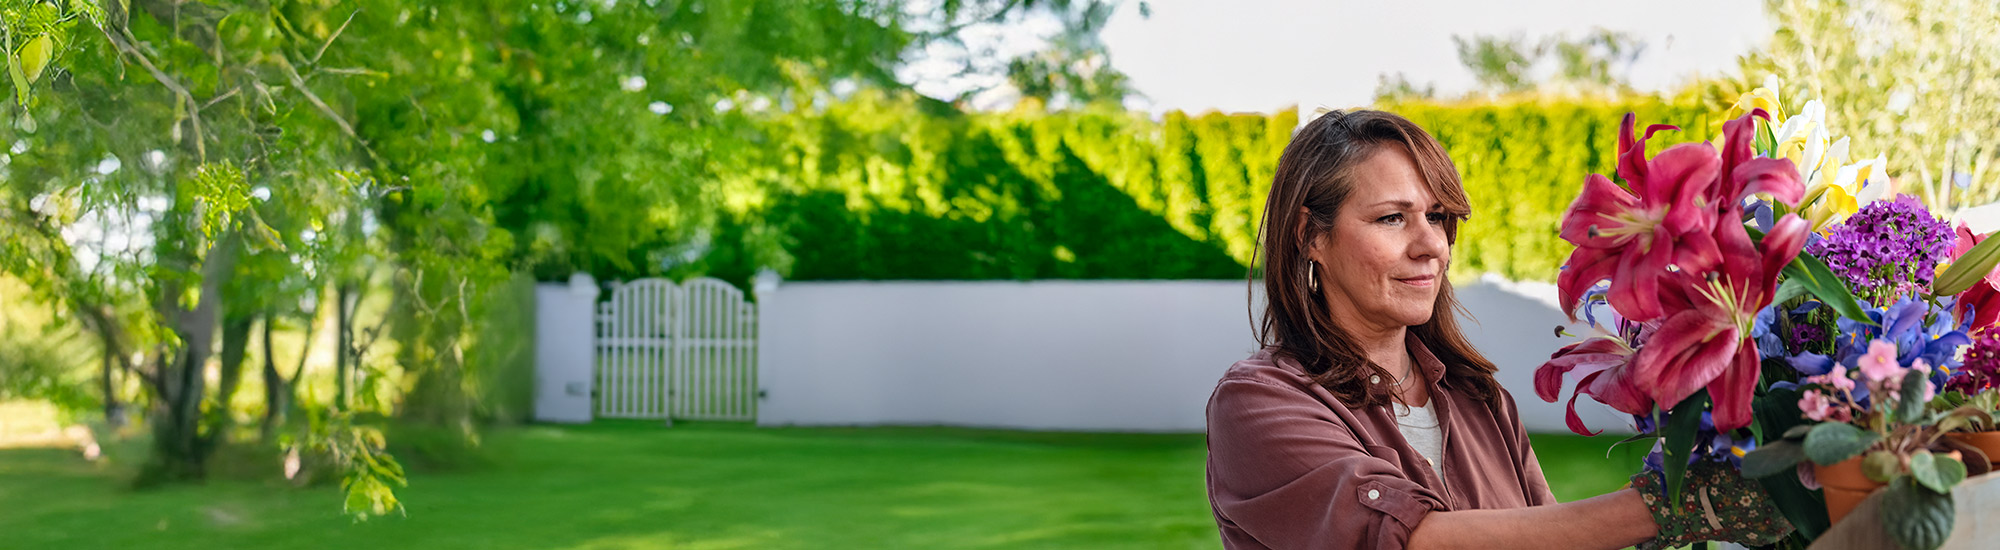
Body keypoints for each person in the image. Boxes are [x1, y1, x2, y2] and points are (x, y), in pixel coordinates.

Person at [1204, 109, 1791, 550]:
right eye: (1391, 218)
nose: (1431, 244)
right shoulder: (1259, 402)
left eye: (1438, 217)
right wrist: (1674, 504)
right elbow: (1412, 541)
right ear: (1311, 237)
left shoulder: (1480, 400)